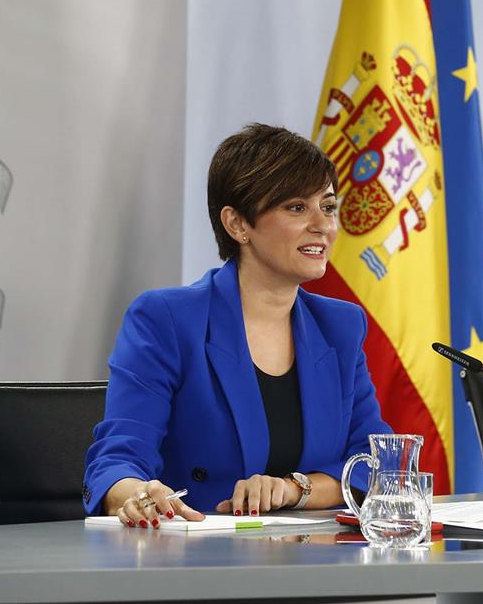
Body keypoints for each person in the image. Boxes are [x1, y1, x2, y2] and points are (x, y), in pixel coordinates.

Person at [83, 124, 391, 527]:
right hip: (195, 561)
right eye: (296, 207)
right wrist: (138, 494)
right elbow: (118, 458)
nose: (323, 225)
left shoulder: (340, 325)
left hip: (316, 562)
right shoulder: (168, 319)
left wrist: (293, 489)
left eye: (328, 206)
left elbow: (375, 464)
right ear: (237, 224)